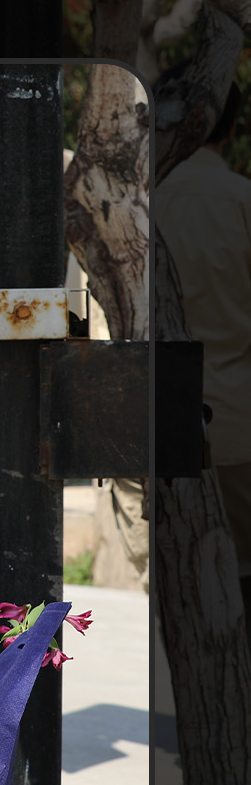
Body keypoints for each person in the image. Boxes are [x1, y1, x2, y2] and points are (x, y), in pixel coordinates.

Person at [153, 81, 251, 613]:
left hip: (154, 427)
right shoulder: (241, 199)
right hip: (237, 425)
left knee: (173, 591)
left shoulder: (141, 203)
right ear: (230, 126)